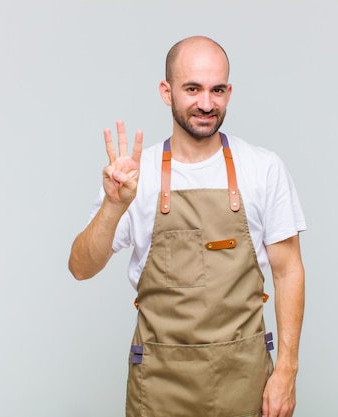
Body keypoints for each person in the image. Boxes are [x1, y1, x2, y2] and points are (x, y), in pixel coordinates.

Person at [68, 36, 306, 417]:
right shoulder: (133, 176)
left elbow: (289, 270)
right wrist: (114, 206)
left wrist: (287, 370)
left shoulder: (263, 168)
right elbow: (81, 267)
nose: (206, 104)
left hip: (246, 382)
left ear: (229, 92)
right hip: (159, 387)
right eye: (192, 89)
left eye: (218, 90)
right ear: (167, 91)